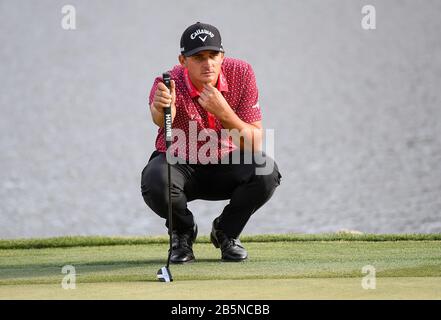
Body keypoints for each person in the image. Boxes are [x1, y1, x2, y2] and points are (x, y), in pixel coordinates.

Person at [141, 22, 282, 263]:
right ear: (183, 60)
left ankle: (226, 232)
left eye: (213, 55)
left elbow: (256, 142)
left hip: (226, 163)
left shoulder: (242, 73)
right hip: (180, 164)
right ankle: (183, 232)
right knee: (155, 180)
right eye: (198, 57)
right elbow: (158, 118)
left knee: (266, 171)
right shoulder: (167, 81)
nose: (208, 63)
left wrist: (224, 113)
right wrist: (164, 108)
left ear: (222, 56)